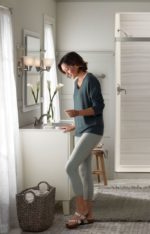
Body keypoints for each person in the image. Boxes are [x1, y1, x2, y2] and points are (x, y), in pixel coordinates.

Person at [58, 51, 105, 229]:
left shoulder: (90, 79)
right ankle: (89, 214)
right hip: (81, 130)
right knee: (85, 173)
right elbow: (81, 109)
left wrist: (77, 114)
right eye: (64, 71)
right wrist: (74, 124)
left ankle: (80, 210)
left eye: (67, 69)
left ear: (76, 64)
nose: (67, 73)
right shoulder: (76, 83)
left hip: (93, 130)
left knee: (69, 167)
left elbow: (98, 107)